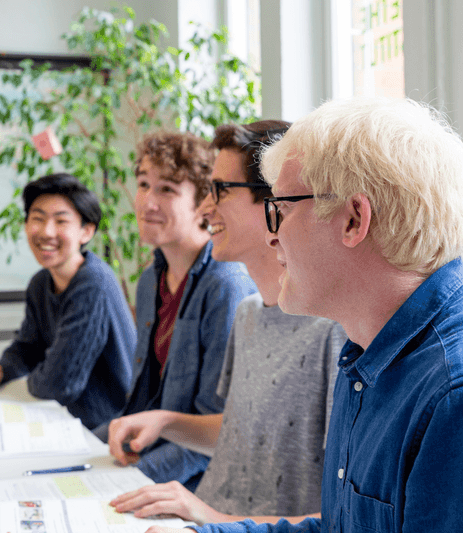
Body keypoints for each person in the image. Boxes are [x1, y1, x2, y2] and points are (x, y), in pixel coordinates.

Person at [148, 97, 463, 533]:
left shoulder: (450, 395)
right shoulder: (365, 351)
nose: (272, 236)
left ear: (354, 219)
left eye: (284, 209)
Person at [108, 121, 346, 526]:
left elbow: (342, 516)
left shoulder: (334, 331)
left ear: (275, 202)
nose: (204, 209)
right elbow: (239, 430)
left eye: (220, 191)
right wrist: (166, 422)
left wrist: (213, 517)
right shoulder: (249, 313)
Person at [96, 132, 258, 491]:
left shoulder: (226, 285)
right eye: (143, 184)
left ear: (202, 203)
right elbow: (141, 403)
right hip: (147, 460)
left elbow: (212, 438)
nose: (147, 202)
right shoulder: (150, 279)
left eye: (167, 189)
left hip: (196, 486)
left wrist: (121, 484)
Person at [0, 173, 136, 430]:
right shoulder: (41, 282)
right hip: (60, 418)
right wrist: (2, 371)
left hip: (105, 427)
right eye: (37, 219)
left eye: (61, 221)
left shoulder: (93, 283)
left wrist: (39, 376)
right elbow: (28, 347)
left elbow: (60, 384)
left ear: (86, 231)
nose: (47, 232)